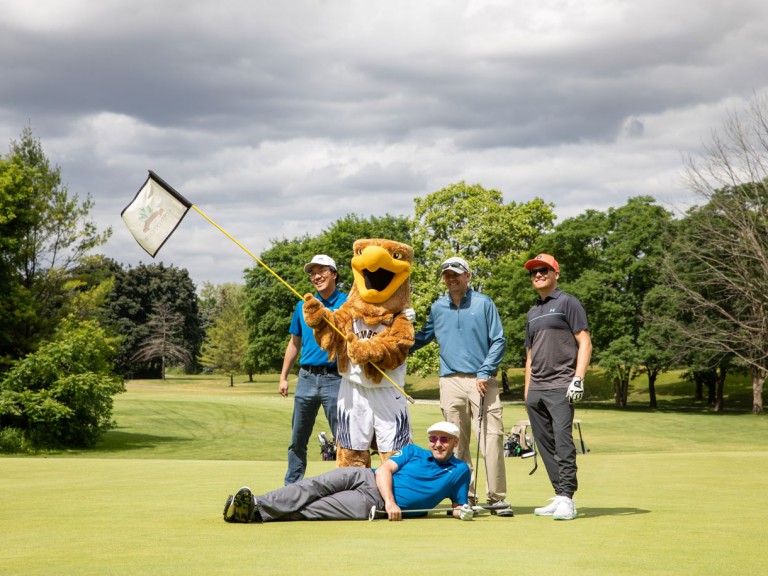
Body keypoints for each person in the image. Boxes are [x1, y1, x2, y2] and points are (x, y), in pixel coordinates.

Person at [411, 256, 512, 516]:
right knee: (456, 444)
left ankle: (496, 498)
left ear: (467, 275)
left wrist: (485, 370)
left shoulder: (484, 303)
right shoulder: (437, 307)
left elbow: (498, 340)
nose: (451, 278)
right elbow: (422, 338)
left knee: (491, 439)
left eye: (456, 273)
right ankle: (464, 497)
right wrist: (394, 336)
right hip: (449, 381)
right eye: (447, 275)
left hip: (482, 380)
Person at [222, 421, 474, 522]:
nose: (437, 444)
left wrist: (463, 512)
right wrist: (392, 502)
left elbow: (457, 505)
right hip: (365, 476)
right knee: (312, 486)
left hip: (372, 503)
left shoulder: (460, 471)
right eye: (433, 438)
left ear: (455, 443)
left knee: (315, 508)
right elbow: (384, 470)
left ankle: (251, 515)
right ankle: (255, 503)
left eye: (444, 439)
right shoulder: (413, 451)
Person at [523, 253, 592, 521]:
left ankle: (568, 498)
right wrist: (527, 392)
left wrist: (578, 378)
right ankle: (559, 494)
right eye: (534, 272)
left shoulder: (567, 302)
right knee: (545, 444)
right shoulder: (532, 312)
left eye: (544, 270)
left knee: (563, 442)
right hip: (537, 388)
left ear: (556, 274)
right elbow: (530, 356)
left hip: (561, 384)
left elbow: (584, 341)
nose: (538, 275)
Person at [279, 254, 347, 485]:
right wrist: (283, 377)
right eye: (312, 273)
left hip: (336, 378)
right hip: (306, 377)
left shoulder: (347, 303)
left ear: (334, 274)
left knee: (343, 438)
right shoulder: (303, 305)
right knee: (298, 438)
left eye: (322, 271)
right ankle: (292, 487)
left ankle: (346, 484)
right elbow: (294, 343)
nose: (316, 277)